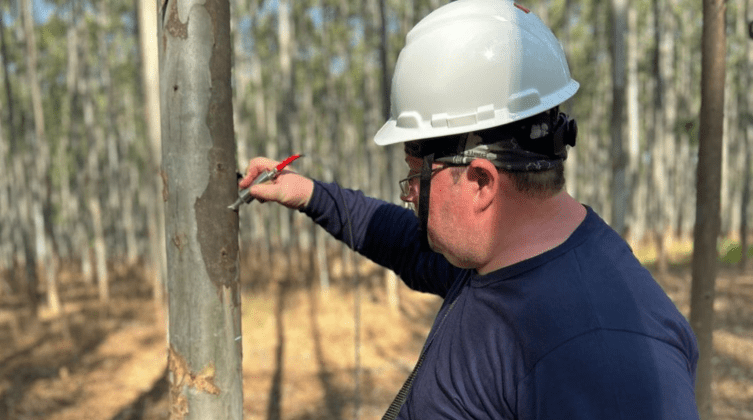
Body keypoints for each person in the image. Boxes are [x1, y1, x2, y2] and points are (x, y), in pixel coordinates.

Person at [238, 0, 699, 418]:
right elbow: (398, 239)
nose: (408, 195)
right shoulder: (494, 257)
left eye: (416, 175)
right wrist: (307, 194)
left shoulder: (606, 356)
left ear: (480, 182)